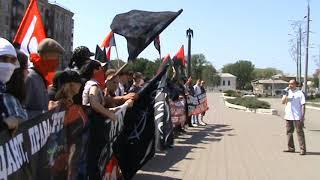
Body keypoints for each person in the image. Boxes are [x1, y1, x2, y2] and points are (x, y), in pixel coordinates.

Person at [25, 38, 64, 119]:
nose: (58, 62)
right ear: (45, 56)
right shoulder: (30, 77)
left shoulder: (40, 77)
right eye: (56, 57)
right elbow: (21, 113)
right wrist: (46, 112)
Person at [0, 38, 25, 133]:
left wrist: (16, 120)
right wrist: (5, 125)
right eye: (3, 59)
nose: (8, 65)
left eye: (13, 60)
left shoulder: (3, 91)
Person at [282, 79, 306, 155]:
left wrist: (302, 116)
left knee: (299, 133)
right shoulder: (287, 92)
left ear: (295, 84)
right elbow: (283, 102)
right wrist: (285, 94)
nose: (290, 85)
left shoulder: (300, 93)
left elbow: (303, 105)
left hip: (297, 116)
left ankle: (302, 149)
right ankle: (291, 148)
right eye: (289, 84)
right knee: (289, 132)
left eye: (292, 84)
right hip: (288, 116)